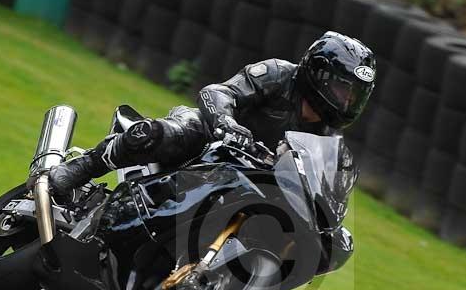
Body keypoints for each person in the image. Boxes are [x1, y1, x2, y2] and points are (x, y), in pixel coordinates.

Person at [46, 31, 376, 197]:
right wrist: (226, 123)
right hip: (210, 140)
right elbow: (219, 93)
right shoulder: (278, 74)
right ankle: (84, 166)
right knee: (167, 132)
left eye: (354, 96)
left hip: (251, 180)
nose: (346, 102)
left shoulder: (329, 135)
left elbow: (326, 178)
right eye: (342, 90)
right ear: (317, 74)